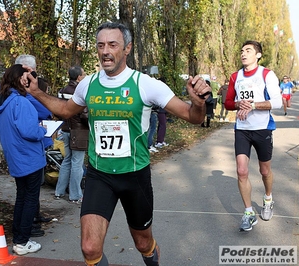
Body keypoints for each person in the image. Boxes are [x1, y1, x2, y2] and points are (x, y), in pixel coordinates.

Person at [24, 22, 211, 266]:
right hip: (100, 175)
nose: (105, 51)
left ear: (127, 49)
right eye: (101, 46)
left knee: (143, 243)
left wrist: (198, 103)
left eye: (113, 45)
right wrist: (36, 92)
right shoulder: (88, 84)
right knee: (90, 248)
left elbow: (193, 117)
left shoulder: (146, 84)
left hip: (135, 176)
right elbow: (65, 110)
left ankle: (152, 258)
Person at [224, 40, 282, 232]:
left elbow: (277, 102)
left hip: (262, 128)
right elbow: (228, 103)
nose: (243, 53)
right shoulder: (236, 76)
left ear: (258, 55)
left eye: (248, 50)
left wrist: (253, 105)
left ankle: (268, 199)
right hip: (242, 129)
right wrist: (239, 104)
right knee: (242, 171)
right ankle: (248, 213)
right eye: (242, 50)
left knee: (265, 171)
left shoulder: (267, 74)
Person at [0, 64, 46, 255]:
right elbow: (30, 131)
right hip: (29, 157)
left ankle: (18, 237)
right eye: (27, 77)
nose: (29, 80)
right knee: (30, 199)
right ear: (20, 80)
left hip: (15, 157)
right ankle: (22, 241)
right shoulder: (20, 103)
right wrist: (43, 130)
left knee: (22, 197)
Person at [15, 55, 52, 237]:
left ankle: (27, 225)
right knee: (29, 194)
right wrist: (41, 130)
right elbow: (45, 111)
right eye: (32, 72)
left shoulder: (6, 95)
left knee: (26, 193)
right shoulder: (22, 98)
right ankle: (26, 231)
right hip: (29, 150)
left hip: (22, 150)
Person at [55, 65, 87, 203]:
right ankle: (75, 195)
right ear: (79, 77)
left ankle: (59, 191)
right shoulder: (80, 92)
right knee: (77, 163)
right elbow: (84, 115)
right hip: (79, 131)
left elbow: (57, 110)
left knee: (67, 160)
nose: (85, 76)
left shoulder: (62, 91)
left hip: (65, 129)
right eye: (84, 74)